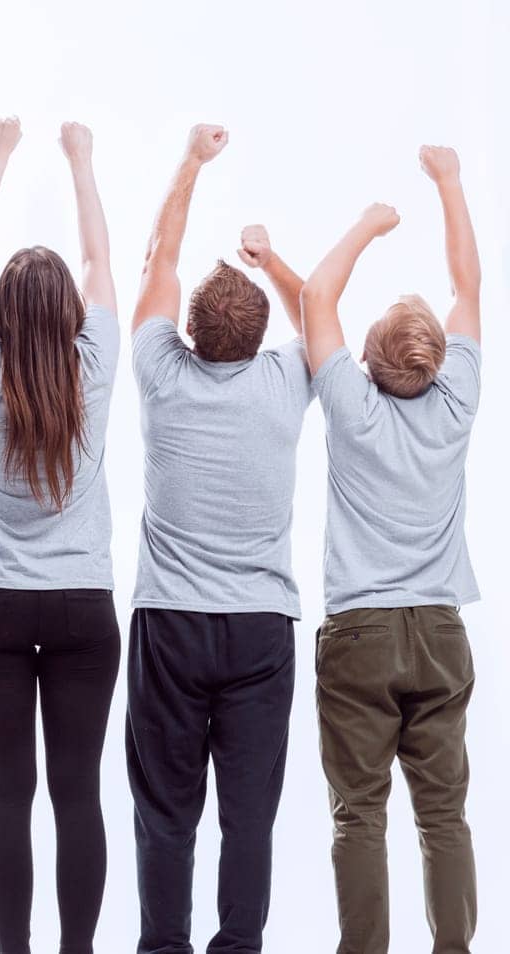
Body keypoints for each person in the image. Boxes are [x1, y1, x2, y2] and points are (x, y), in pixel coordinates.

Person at [124, 124, 312, 954]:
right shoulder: (287, 379)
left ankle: (163, 945)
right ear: (258, 334)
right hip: (260, 630)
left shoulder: (160, 373)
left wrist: (192, 162)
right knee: (249, 818)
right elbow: (323, 315)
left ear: (190, 333)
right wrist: (269, 261)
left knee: (165, 814)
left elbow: (157, 263)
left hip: (171, 625)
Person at [299, 146, 481, 954]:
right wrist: (448, 181)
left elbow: (315, 297)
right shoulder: (457, 404)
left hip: (361, 635)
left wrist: (372, 224)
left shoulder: (350, 406)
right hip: (440, 634)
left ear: (366, 361)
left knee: (358, 814)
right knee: (443, 814)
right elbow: (469, 287)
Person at [0, 116, 120, 954]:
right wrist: (80, 161)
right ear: (73, 316)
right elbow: (100, 263)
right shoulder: (96, 367)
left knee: (6, 796)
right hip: (85, 609)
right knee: (78, 795)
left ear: (2, 319)